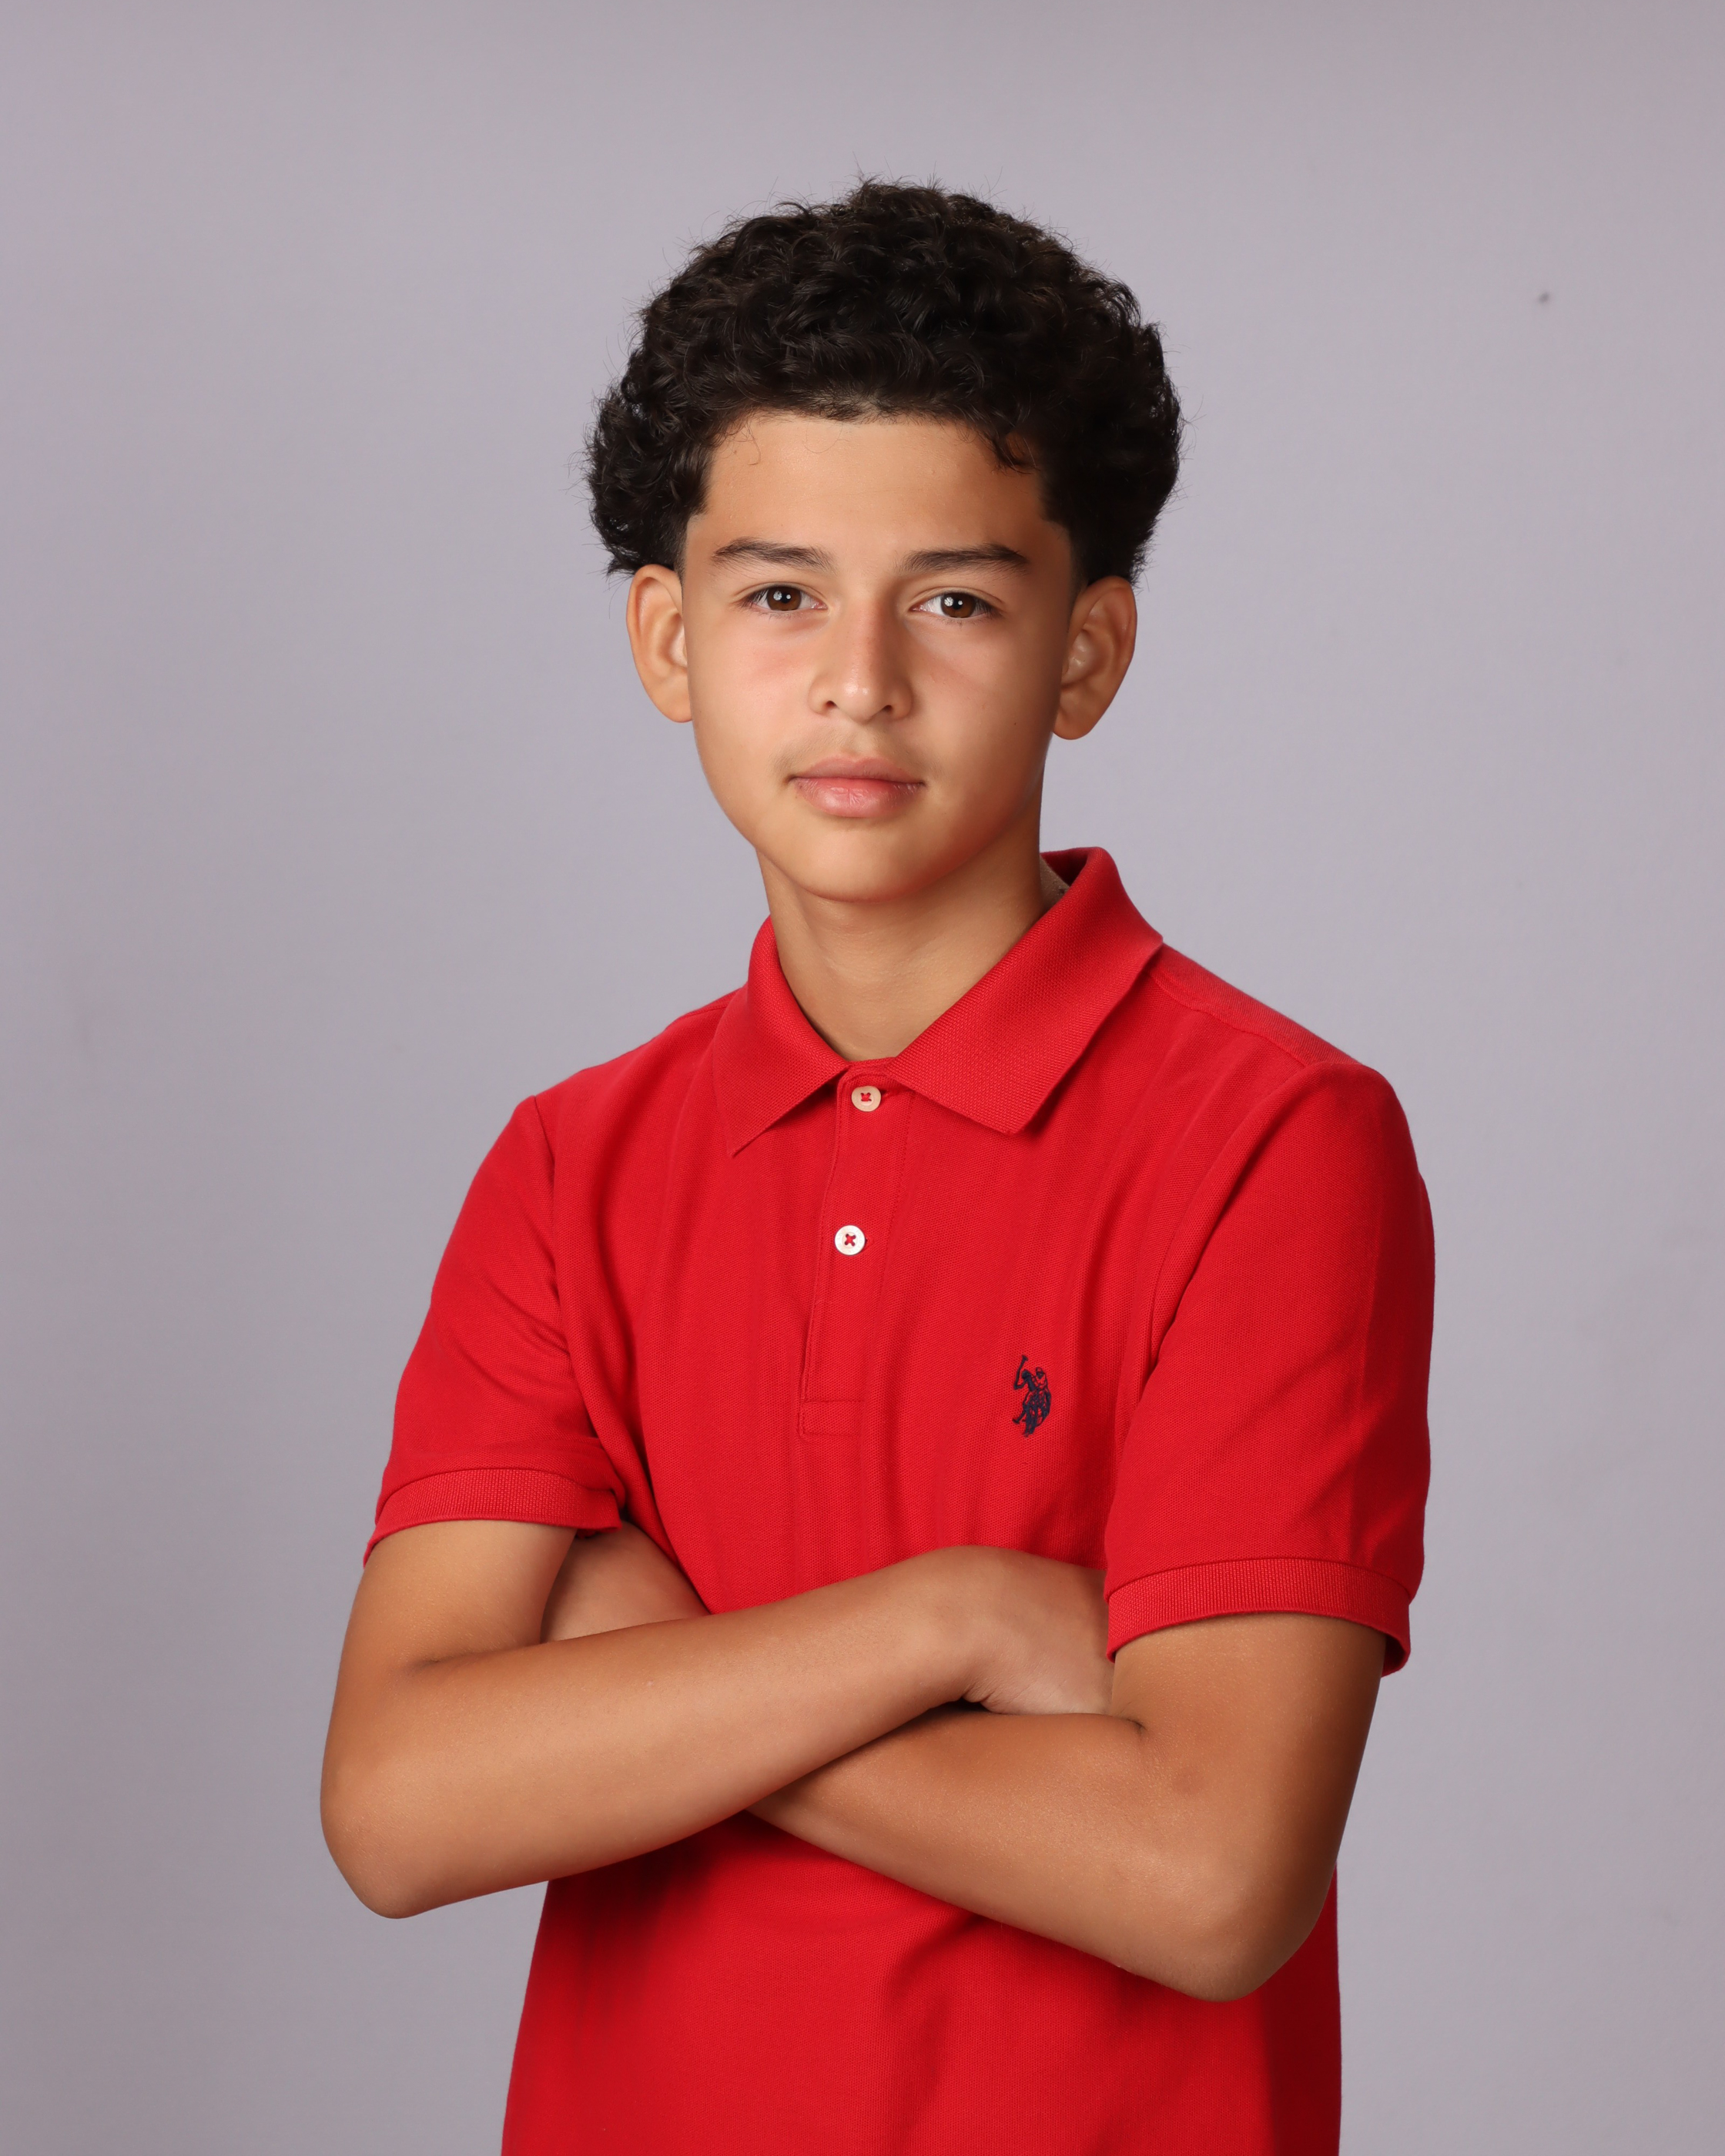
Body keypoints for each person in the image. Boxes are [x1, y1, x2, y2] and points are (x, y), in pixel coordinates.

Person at [321, 180, 1433, 2155]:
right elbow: (402, 1805)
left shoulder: (1272, 1137)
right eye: (778, 595)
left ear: (1086, 650)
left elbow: (1207, 1870)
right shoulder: (572, 1164)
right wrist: (949, 1618)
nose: (859, 679)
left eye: (954, 599)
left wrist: (662, 1690)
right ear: (666, 636)